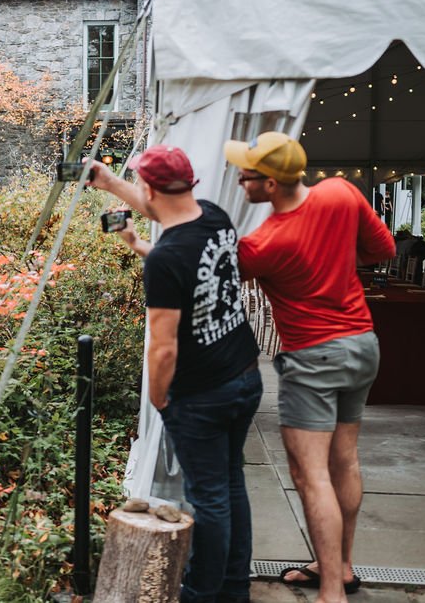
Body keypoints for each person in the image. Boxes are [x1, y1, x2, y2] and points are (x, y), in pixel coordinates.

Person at [224, 132, 395, 603]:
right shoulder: (341, 192)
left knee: (310, 474)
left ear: (273, 184)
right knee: (345, 461)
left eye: (249, 174)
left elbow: (208, 273)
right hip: (362, 345)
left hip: (314, 357)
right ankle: (339, 566)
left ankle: (332, 594)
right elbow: (384, 251)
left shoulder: (264, 243)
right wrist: (338, 256)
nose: (240, 178)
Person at [87, 145, 262, 603]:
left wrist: (162, 399)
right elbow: (185, 258)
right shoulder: (214, 216)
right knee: (231, 483)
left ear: (149, 187)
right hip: (244, 372)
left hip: (202, 392)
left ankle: (202, 593)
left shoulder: (167, 258)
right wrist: (112, 189)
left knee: (209, 498)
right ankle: (234, 588)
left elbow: (163, 347)